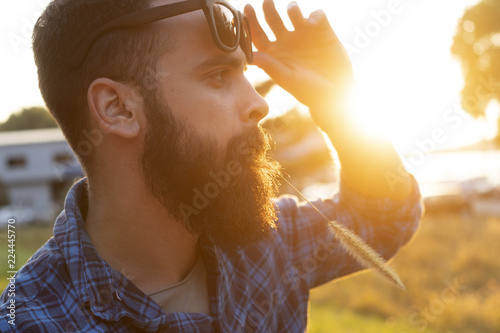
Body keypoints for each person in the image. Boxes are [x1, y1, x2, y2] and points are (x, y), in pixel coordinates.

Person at [0, 0, 423, 331]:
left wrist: (338, 103)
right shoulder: (33, 322)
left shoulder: (264, 245)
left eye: (246, 75)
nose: (259, 103)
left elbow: (384, 217)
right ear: (118, 109)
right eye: (218, 75)